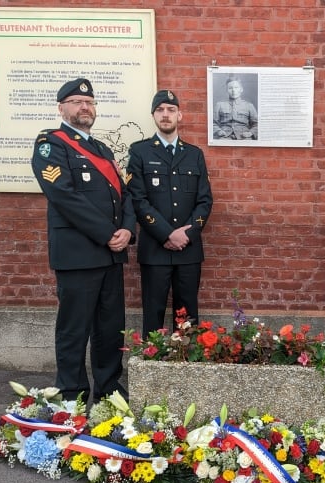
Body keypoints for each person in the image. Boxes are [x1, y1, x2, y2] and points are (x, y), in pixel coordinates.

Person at [31, 78, 135, 402]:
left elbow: (125, 194)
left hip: (110, 256)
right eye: (76, 102)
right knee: (74, 330)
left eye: (88, 102)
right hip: (78, 255)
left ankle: (108, 393)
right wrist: (108, 234)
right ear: (61, 107)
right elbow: (64, 196)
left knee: (109, 330)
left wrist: (128, 230)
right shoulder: (51, 144)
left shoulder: (102, 149)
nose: (84, 107)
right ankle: (72, 397)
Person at [126, 90, 213, 334]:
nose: (166, 115)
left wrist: (188, 233)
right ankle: (152, 364)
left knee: (187, 318)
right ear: (153, 115)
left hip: (189, 248)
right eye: (160, 110)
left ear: (180, 115)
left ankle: (183, 365)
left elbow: (205, 200)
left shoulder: (194, 154)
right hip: (155, 248)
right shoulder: (139, 152)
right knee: (152, 313)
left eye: (171, 110)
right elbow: (138, 199)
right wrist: (166, 234)